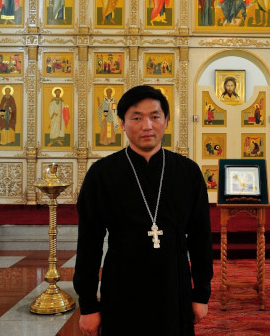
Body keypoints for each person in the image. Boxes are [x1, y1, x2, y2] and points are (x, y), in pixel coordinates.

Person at [74, 85, 213, 335]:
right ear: (122, 124)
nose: (147, 125)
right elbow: (89, 243)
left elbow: (201, 237)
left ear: (167, 121)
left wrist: (201, 293)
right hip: (122, 288)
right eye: (136, 118)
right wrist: (88, 305)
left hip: (174, 287)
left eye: (155, 116)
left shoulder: (188, 172)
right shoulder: (102, 175)